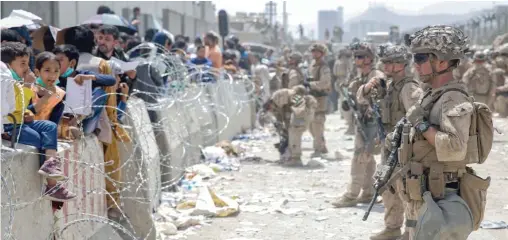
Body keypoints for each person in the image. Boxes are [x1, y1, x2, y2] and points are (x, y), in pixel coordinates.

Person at [401, 25, 490, 239]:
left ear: (441, 62)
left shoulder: (452, 98)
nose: (416, 64)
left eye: (421, 58)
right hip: (423, 193)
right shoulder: (432, 95)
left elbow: (454, 148)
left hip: (440, 195)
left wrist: (422, 124)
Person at [64, 26, 130, 219]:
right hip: (99, 123)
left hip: (72, 121)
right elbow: (109, 98)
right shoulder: (101, 64)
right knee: (110, 167)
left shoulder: (65, 62)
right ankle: (113, 207)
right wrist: (114, 122)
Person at [359, 45, 422, 240]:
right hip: (389, 146)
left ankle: (410, 233)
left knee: (408, 193)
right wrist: (368, 87)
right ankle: (392, 227)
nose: (385, 65)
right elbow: (361, 97)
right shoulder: (387, 84)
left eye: (390, 62)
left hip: (404, 149)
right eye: (384, 62)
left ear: (401, 65)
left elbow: (418, 118)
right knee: (387, 188)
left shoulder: (408, 87)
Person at [1, 42, 76, 202]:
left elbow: (22, 109)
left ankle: (50, 166)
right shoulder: (7, 82)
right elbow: (14, 108)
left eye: (27, 64)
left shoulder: (18, 83)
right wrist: (28, 86)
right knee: (37, 139)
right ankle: (52, 184)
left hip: (21, 120)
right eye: (22, 64)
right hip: (10, 126)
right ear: (9, 65)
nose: (26, 69)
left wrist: (27, 110)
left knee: (49, 127)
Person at [332, 41, 386, 208]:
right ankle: (368, 192)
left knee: (360, 156)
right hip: (363, 120)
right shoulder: (360, 75)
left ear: (370, 58)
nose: (357, 59)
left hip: (373, 122)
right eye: (355, 56)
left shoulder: (376, 76)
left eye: (361, 56)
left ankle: (352, 194)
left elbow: (380, 100)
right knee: (367, 159)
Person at [52, 44, 117, 138]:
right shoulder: (54, 78)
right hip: (61, 120)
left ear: (72, 63)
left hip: (83, 122)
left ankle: (77, 119)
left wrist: (89, 77)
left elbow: (111, 80)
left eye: (60, 60)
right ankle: (70, 124)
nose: (56, 64)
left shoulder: (82, 75)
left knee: (100, 93)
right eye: (55, 60)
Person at [263, 85, 317, 166]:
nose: (272, 111)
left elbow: (298, 103)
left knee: (294, 130)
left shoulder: (283, 96)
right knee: (290, 131)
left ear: (271, 103)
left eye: (271, 108)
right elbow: (281, 119)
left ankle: (296, 159)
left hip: (302, 111)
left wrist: (298, 117)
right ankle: (292, 156)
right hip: (300, 111)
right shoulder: (278, 106)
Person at [303, 43, 332, 157]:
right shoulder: (312, 64)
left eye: (317, 51)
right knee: (311, 124)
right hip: (311, 98)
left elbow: (325, 83)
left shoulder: (324, 66)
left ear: (322, 53)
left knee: (317, 123)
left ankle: (318, 149)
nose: (314, 53)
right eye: (313, 51)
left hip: (320, 98)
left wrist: (311, 84)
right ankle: (321, 145)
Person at [334, 48, 355, 135]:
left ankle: (351, 126)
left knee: (347, 104)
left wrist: (347, 82)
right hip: (339, 82)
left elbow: (349, 71)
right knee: (342, 103)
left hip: (345, 82)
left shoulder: (347, 61)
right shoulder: (338, 61)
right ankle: (349, 125)